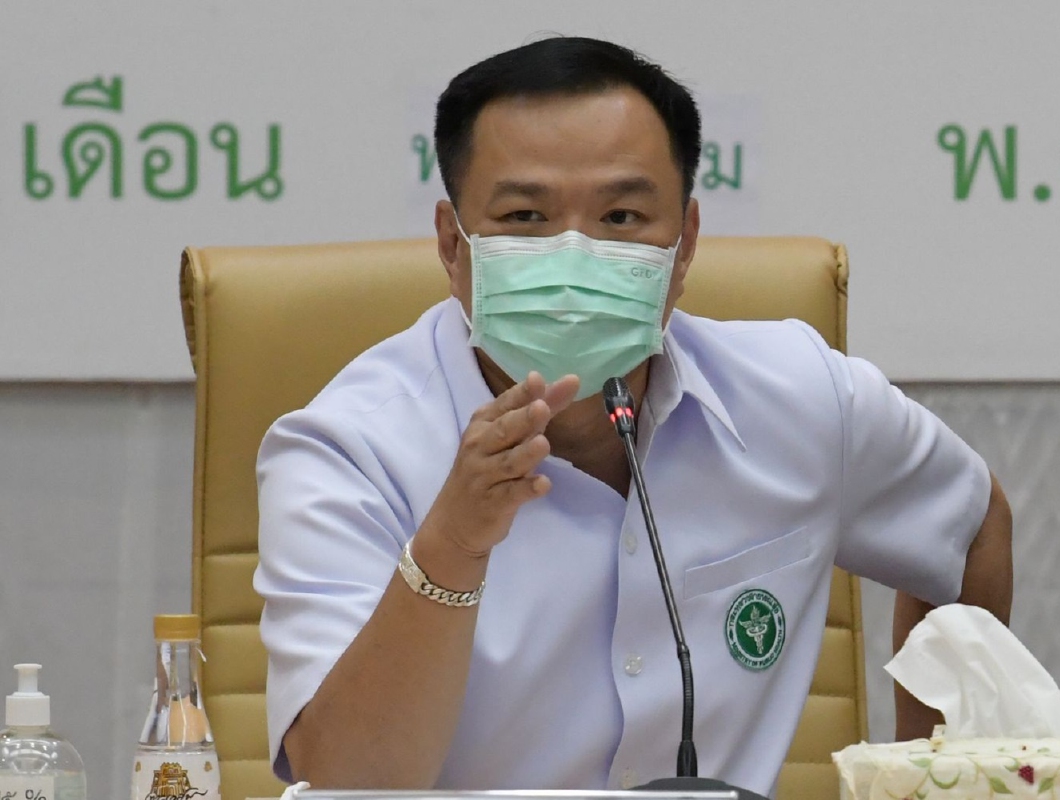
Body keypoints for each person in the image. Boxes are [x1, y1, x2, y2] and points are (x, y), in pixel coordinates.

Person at [254, 35, 1013, 796]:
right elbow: (347, 777)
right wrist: (451, 546)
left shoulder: (803, 398)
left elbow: (970, 530)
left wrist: (936, 780)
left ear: (684, 246)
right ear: (454, 245)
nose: (574, 260)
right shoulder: (347, 449)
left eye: (621, 216)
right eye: (525, 216)